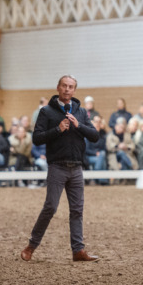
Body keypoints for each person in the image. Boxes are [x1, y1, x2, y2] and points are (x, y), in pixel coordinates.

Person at [21, 75, 100, 263]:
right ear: (58, 87)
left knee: (77, 210)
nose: (67, 89)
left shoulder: (81, 112)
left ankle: (78, 250)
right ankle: (31, 246)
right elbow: (37, 138)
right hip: (57, 166)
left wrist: (78, 125)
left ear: (74, 90)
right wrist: (58, 129)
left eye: (71, 87)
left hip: (77, 168)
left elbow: (95, 136)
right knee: (50, 208)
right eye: (64, 86)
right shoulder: (46, 112)